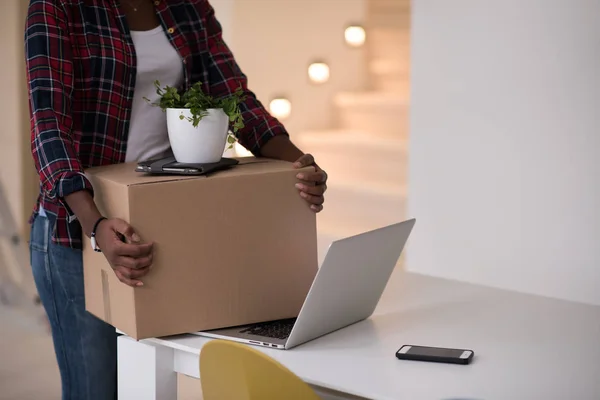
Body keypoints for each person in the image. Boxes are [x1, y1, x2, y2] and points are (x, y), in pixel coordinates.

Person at [24, 0, 328, 399]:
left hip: (155, 223)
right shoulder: (58, 6)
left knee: (150, 381)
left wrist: (299, 164)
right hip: (76, 229)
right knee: (96, 390)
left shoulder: (187, 6)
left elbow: (232, 94)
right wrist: (95, 224)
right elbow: (48, 122)